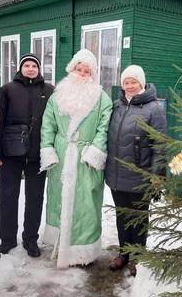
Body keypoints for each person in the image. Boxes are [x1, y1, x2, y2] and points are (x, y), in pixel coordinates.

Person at [39, 49, 113, 268]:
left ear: (93, 73)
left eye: (86, 70)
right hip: (61, 157)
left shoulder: (101, 97)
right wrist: (48, 150)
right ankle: (60, 244)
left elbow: (104, 128)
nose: (82, 73)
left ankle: (83, 252)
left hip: (86, 159)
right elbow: (47, 126)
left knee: (86, 204)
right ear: (71, 70)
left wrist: (94, 153)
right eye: (78, 69)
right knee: (58, 200)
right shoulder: (57, 96)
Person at [105, 65, 167, 276]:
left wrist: (157, 174)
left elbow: (160, 144)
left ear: (141, 83)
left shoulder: (154, 108)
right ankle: (124, 253)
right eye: (126, 82)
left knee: (139, 217)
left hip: (141, 174)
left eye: (134, 82)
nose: (130, 86)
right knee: (122, 215)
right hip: (116, 172)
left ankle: (138, 256)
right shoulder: (117, 106)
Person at [0, 53, 54, 258]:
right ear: (20, 68)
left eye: (34, 65)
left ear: (39, 69)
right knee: (8, 197)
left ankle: (30, 240)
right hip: (11, 153)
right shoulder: (7, 89)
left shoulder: (49, 90)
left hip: (37, 155)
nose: (30, 68)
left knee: (35, 199)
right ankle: (7, 240)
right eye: (26, 65)